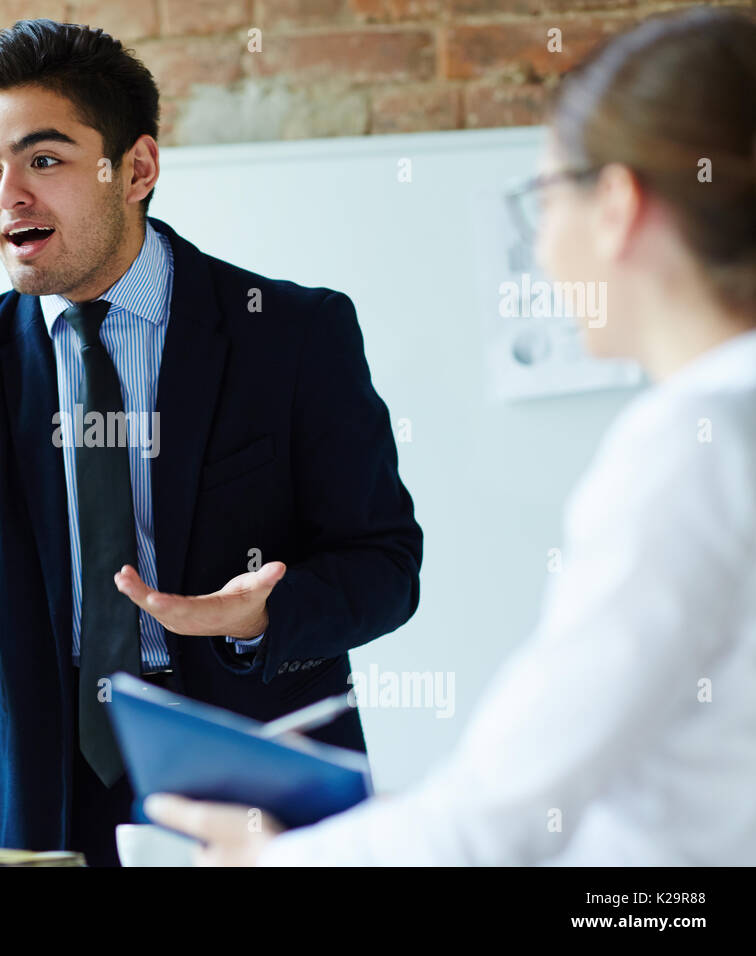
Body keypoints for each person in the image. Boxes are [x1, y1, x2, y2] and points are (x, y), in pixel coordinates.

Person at [0, 18, 422, 866]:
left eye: (44, 160)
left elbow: (387, 567)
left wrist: (263, 616)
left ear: (135, 168)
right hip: (56, 796)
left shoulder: (291, 333)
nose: (9, 197)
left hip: (258, 774)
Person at [146, 6, 756, 866]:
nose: (541, 248)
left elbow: (496, 825)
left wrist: (272, 861)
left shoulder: (688, 454)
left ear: (617, 204)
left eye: (542, 198)